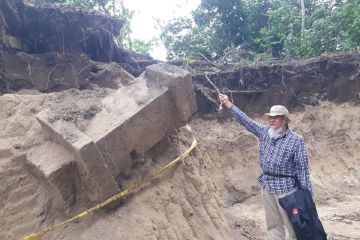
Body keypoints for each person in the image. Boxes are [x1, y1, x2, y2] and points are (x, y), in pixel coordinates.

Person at [218, 94, 313, 240]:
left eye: (276, 117)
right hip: (268, 186)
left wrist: (307, 194)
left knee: (292, 225)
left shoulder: (296, 140)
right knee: (273, 225)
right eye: (270, 117)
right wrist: (228, 103)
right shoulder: (264, 133)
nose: (271, 120)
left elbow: (303, 169)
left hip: (287, 189)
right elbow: (246, 121)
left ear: (285, 120)